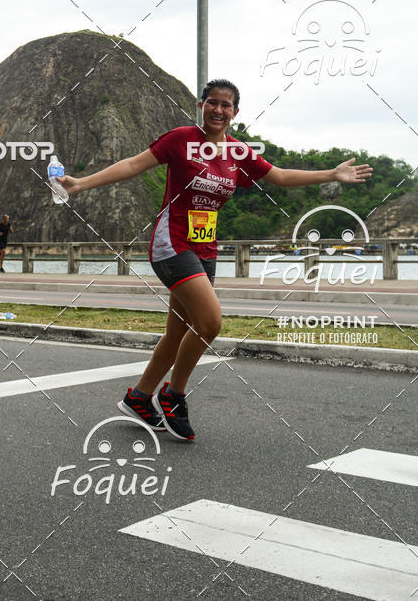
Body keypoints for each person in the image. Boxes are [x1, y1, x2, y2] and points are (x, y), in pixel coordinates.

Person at [58, 78, 373, 442]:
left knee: (177, 334)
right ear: (201, 105)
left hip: (205, 250)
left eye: (226, 105)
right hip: (172, 243)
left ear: (235, 112)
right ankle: (173, 395)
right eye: (212, 103)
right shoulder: (181, 139)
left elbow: (281, 176)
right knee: (210, 324)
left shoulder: (238, 153)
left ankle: (138, 398)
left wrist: (331, 174)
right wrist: (80, 184)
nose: (219, 110)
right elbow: (132, 164)